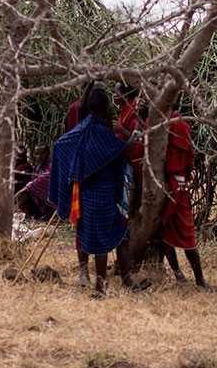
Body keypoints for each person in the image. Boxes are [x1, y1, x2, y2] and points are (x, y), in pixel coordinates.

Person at [48, 82, 145, 297]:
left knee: (122, 235)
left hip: (90, 194)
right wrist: (139, 125)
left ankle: (126, 279)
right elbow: (126, 147)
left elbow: (59, 145)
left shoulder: (85, 127)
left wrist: (72, 174)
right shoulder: (99, 133)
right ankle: (100, 289)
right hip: (100, 194)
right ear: (106, 108)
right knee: (101, 244)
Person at [134, 97, 216, 290]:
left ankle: (198, 280)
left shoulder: (170, 125)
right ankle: (183, 275)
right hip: (171, 184)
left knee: (181, 233)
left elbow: (138, 153)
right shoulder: (175, 125)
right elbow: (187, 162)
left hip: (165, 185)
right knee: (167, 232)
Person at [14, 142, 55, 220]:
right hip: (40, 199)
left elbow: (42, 180)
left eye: (42, 153)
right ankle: (14, 211)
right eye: (37, 154)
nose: (39, 156)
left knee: (28, 191)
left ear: (48, 153)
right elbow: (34, 188)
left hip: (53, 199)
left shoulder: (53, 165)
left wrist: (21, 192)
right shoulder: (37, 167)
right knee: (28, 193)